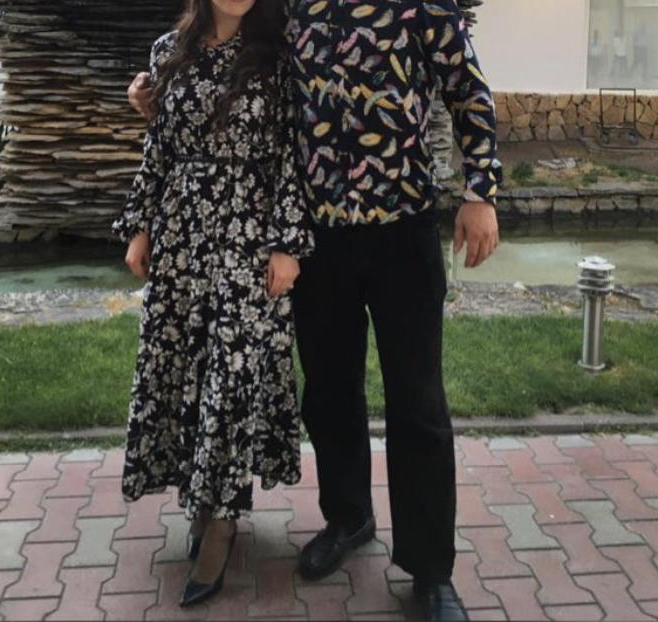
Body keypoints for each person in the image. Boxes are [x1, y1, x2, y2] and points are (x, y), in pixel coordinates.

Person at [128, 0, 502, 618]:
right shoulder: (291, 8)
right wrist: (157, 91)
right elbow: (225, 51)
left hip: (403, 228)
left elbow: (468, 89)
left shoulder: (422, 6)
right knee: (329, 392)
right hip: (318, 236)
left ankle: (431, 569)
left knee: (419, 401)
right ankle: (349, 518)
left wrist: (480, 191)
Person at [112, 0, 314, 607]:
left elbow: (293, 155)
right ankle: (200, 500)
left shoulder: (279, 57)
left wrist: (287, 244)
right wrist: (140, 225)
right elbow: (158, 148)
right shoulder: (167, 53)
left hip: (248, 235)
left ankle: (222, 522)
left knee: (232, 373)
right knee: (188, 372)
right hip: (182, 236)